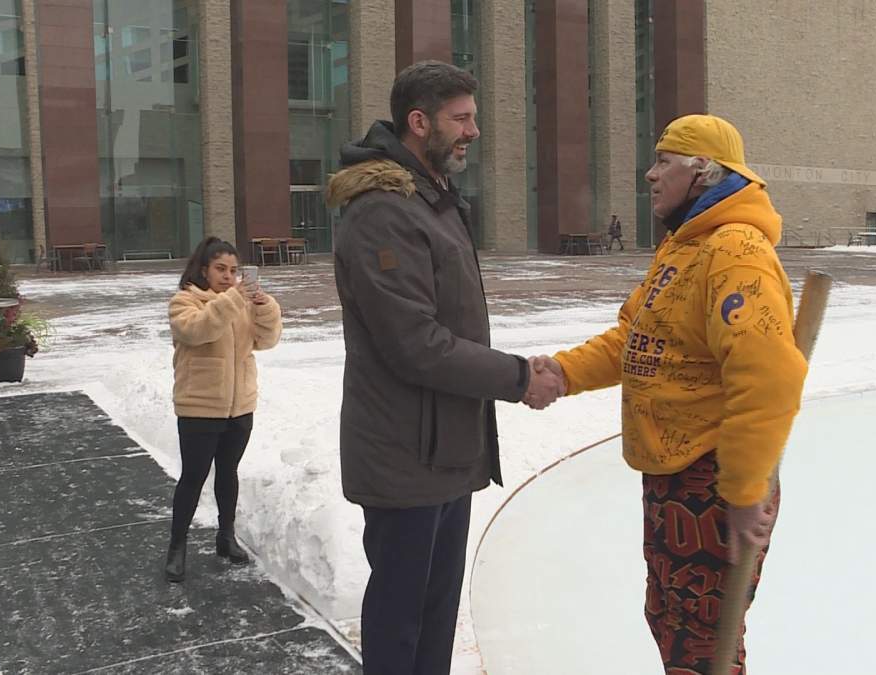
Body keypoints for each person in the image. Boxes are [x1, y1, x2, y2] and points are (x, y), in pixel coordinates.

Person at [531, 114, 807, 674]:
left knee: (702, 643)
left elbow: (769, 376)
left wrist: (746, 488)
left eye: (665, 162)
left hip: (715, 481)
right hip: (676, 476)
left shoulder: (735, 252)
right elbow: (637, 340)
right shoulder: (687, 248)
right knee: (672, 620)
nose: (651, 175)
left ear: (703, 171)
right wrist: (563, 373)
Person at [325, 60, 562, 675]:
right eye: (462, 119)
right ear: (418, 121)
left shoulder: (431, 201)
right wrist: (517, 378)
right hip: (406, 456)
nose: (473, 132)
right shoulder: (383, 212)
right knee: (402, 626)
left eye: (473, 118)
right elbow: (417, 344)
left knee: (433, 620)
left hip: (447, 451)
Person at [164, 237, 282, 583]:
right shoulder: (184, 301)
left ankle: (226, 536)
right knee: (193, 477)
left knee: (228, 473)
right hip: (199, 407)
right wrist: (234, 299)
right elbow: (198, 331)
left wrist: (264, 307)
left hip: (239, 406)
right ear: (204, 269)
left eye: (233, 270)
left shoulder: (240, 303)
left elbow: (267, 341)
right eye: (220, 269)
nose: (229, 276)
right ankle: (177, 546)